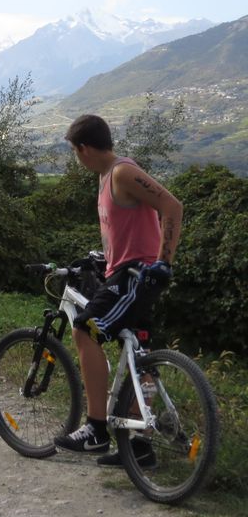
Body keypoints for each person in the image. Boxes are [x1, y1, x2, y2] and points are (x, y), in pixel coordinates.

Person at [54, 114, 183, 467]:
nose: (77, 158)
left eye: (75, 152)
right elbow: (127, 229)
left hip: (136, 275)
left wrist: (164, 263)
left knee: (85, 329)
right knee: (139, 352)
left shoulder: (122, 172)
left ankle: (96, 429)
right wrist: (103, 260)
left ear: (83, 148)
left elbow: (172, 206)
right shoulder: (106, 176)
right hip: (127, 272)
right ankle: (140, 447)